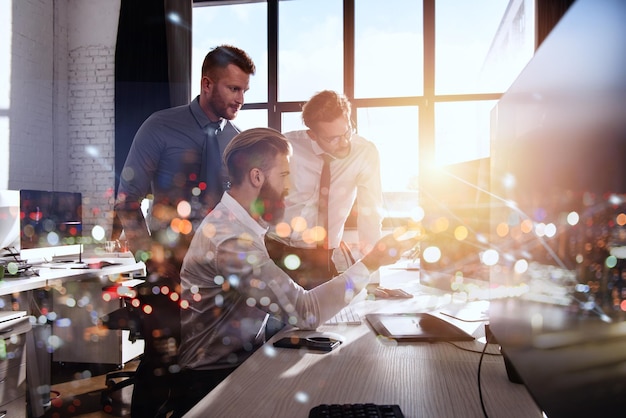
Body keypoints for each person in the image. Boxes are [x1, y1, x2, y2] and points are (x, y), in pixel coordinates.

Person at [171, 127, 421, 416]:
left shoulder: (240, 225)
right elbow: (305, 311)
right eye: (284, 176)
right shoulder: (231, 240)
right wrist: (372, 261)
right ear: (256, 176)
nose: (289, 189)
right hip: (211, 383)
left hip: (237, 362)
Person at [113, 45, 255, 418]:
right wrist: (153, 262)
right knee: (159, 369)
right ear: (207, 84)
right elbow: (127, 201)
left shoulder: (236, 142)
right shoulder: (160, 126)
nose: (240, 99)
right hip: (169, 271)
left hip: (218, 279)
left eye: (244, 91)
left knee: (209, 372)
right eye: (233, 89)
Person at [265, 90, 384, 289]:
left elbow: (370, 215)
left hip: (321, 256)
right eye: (333, 139)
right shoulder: (286, 147)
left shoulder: (365, 153)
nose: (344, 143)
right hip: (275, 249)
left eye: (347, 132)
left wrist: (371, 279)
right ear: (312, 134)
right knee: (271, 316)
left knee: (323, 317)